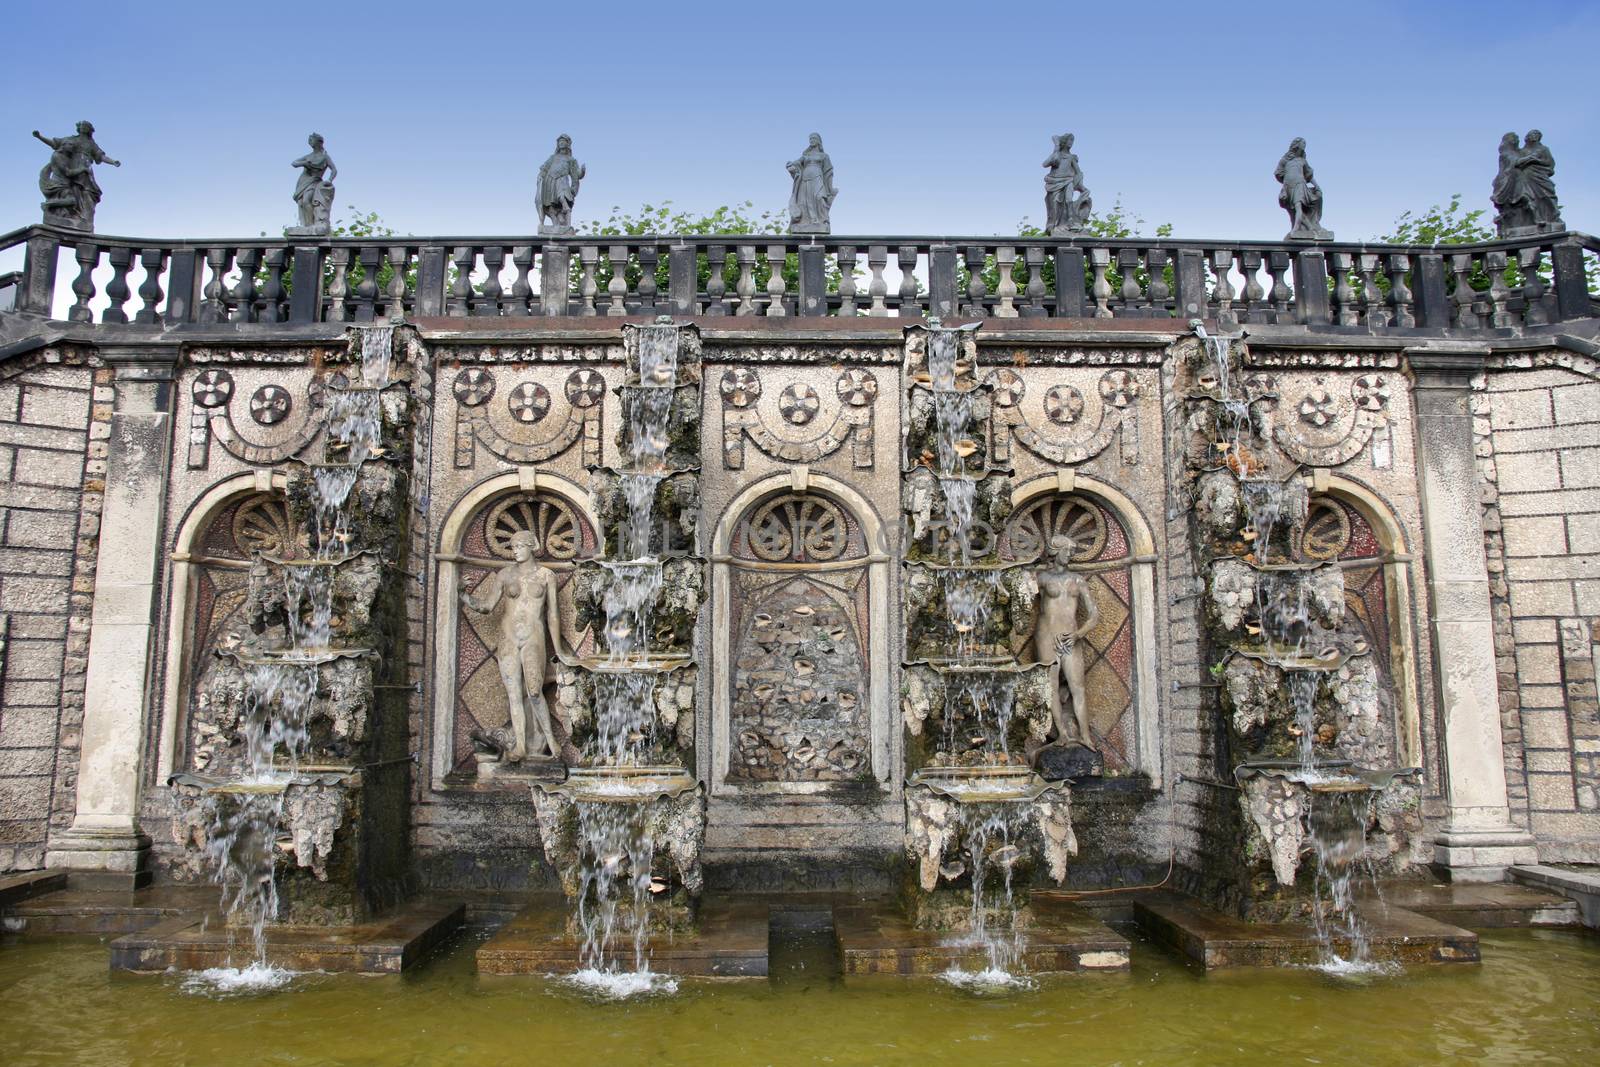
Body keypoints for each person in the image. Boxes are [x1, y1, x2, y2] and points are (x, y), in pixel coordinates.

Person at [460, 530, 577, 762]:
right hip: (508, 638)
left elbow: (553, 616)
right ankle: (521, 747)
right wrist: (463, 595)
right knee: (514, 695)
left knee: (534, 692)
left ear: (532, 546)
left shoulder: (546, 575)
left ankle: (553, 744)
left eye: (520, 546)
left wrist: (560, 650)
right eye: (513, 548)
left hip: (534, 637)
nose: (516, 552)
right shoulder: (504, 575)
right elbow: (487, 606)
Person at [1024, 534, 1100, 749]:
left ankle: (1086, 737)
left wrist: (1078, 634)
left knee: (1078, 688)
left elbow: (1095, 615)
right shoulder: (1043, 579)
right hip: (1047, 636)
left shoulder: (1078, 580)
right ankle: (1062, 735)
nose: (1070, 555)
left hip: (1071, 637)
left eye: (1072, 552)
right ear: (1056, 552)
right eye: (1067, 551)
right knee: (1051, 687)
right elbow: (1022, 597)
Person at [32, 121, 120, 231]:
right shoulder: (71, 139)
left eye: (86, 126)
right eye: (82, 126)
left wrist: (113, 162)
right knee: (72, 191)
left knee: (89, 193)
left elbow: (101, 156)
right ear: (79, 128)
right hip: (72, 167)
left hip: (85, 169)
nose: (83, 128)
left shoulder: (91, 143)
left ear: (90, 129)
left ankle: (85, 218)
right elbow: (55, 144)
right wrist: (40, 137)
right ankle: (71, 215)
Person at [1275, 137, 1330, 240]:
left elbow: (1309, 175)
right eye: (1303, 143)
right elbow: (1278, 173)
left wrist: (1317, 186)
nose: (1304, 145)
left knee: (1298, 206)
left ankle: (1296, 230)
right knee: (1295, 210)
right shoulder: (1285, 160)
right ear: (1297, 145)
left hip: (1300, 185)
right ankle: (1309, 228)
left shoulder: (1302, 161)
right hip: (1289, 187)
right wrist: (1285, 184)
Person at [786, 133, 836, 233]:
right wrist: (790, 164)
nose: (811, 140)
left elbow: (828, 172)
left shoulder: (824, 156)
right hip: (805, 179)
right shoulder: (806, 155)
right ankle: (811, 221)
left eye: (813, 138)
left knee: (819, 198)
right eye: (810, 139)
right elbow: (796, 163)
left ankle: (823, 220)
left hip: (817, 177)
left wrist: (830, 188)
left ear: (818, 141)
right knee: (805, 201)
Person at [536, 134, 586, 234]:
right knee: (550, 205)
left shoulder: (571, 160)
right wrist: (540, 175)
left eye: (564, 141)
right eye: (560, 141)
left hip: (562, 180)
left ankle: (566, 215)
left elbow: (576, 174)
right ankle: (556, 223)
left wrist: (582, 172)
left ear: (568, 144)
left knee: (562, 197)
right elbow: (545, 168)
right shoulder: (553, 157)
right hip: (549, 181)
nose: (561, 143)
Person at [1043, 133, 1091, 235]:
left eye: (1072, 141)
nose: (1071, 143)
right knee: (1056, 203)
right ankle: (1056, 225)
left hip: (1069, 181)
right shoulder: (1057, 156)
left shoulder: (1071, 157)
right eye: (1069, 140)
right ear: (1064, 141)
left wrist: (1081, 186)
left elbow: (1078, 172)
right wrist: (1056, 147)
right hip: (1055, 182)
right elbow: (1045, 164)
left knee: (1069, 200)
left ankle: (1071, 222)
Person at [290, 133, 337, 233]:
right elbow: (294, 163)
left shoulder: (325, 157)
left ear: (319, 142)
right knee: (301, 202)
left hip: (314, 180)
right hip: (303, 180)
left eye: (312, 140)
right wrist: (304, 163)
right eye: (309, 140)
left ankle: (310, 225)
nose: (310, 142)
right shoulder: (308, 156)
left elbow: (334, 170)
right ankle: (305, 225)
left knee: (307, 200)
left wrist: (329, 180)